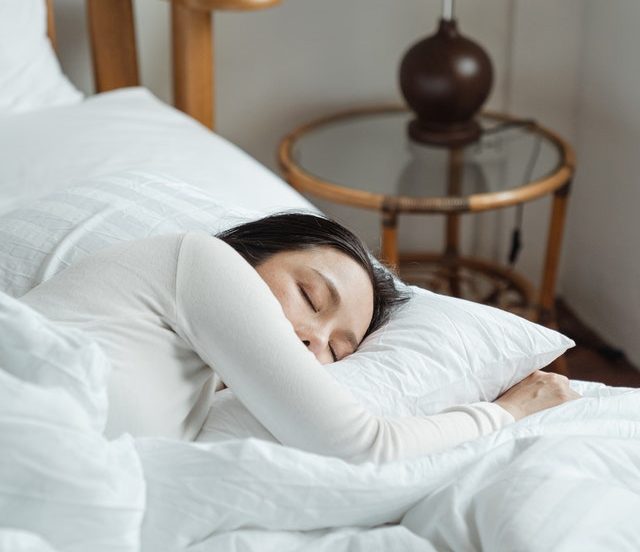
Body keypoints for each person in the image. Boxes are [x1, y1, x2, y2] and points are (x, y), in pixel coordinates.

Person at [20, 212, 579, 463]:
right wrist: (506, 412)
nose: (313, 342)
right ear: (247, 252)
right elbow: (363, 445)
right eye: (311, 298)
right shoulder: (200, 260)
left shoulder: (196, 382)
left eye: (338, 351)